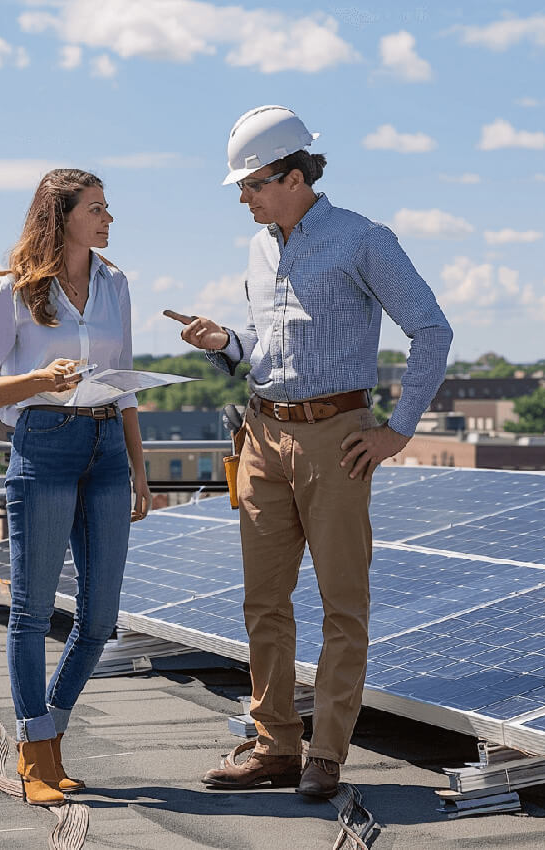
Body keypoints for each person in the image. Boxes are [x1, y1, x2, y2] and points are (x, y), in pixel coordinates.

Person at [167, 106, 452, 799]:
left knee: (340, 602)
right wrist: (227, 345)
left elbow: (432, 331)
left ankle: (327, 751)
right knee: (263, 601)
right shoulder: (262, 248)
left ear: (294, 176)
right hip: (263, 434)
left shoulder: (364, 240)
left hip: (337, 441)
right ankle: (274, 746)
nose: (245, 198)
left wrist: (398, 430)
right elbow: (271, 351)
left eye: (252, 184)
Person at [0, 168, 151, 806]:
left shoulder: (116, 284)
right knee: (32, 609)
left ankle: (48, 730)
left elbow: (125, 380)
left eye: (108, 207)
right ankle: (37, 755)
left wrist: (139, 466)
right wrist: (41, 378)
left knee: (100, 616)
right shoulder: (14, 290)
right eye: (96, 208)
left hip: (107, 448)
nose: (107, 219)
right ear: (62, 215)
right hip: (43, 446)